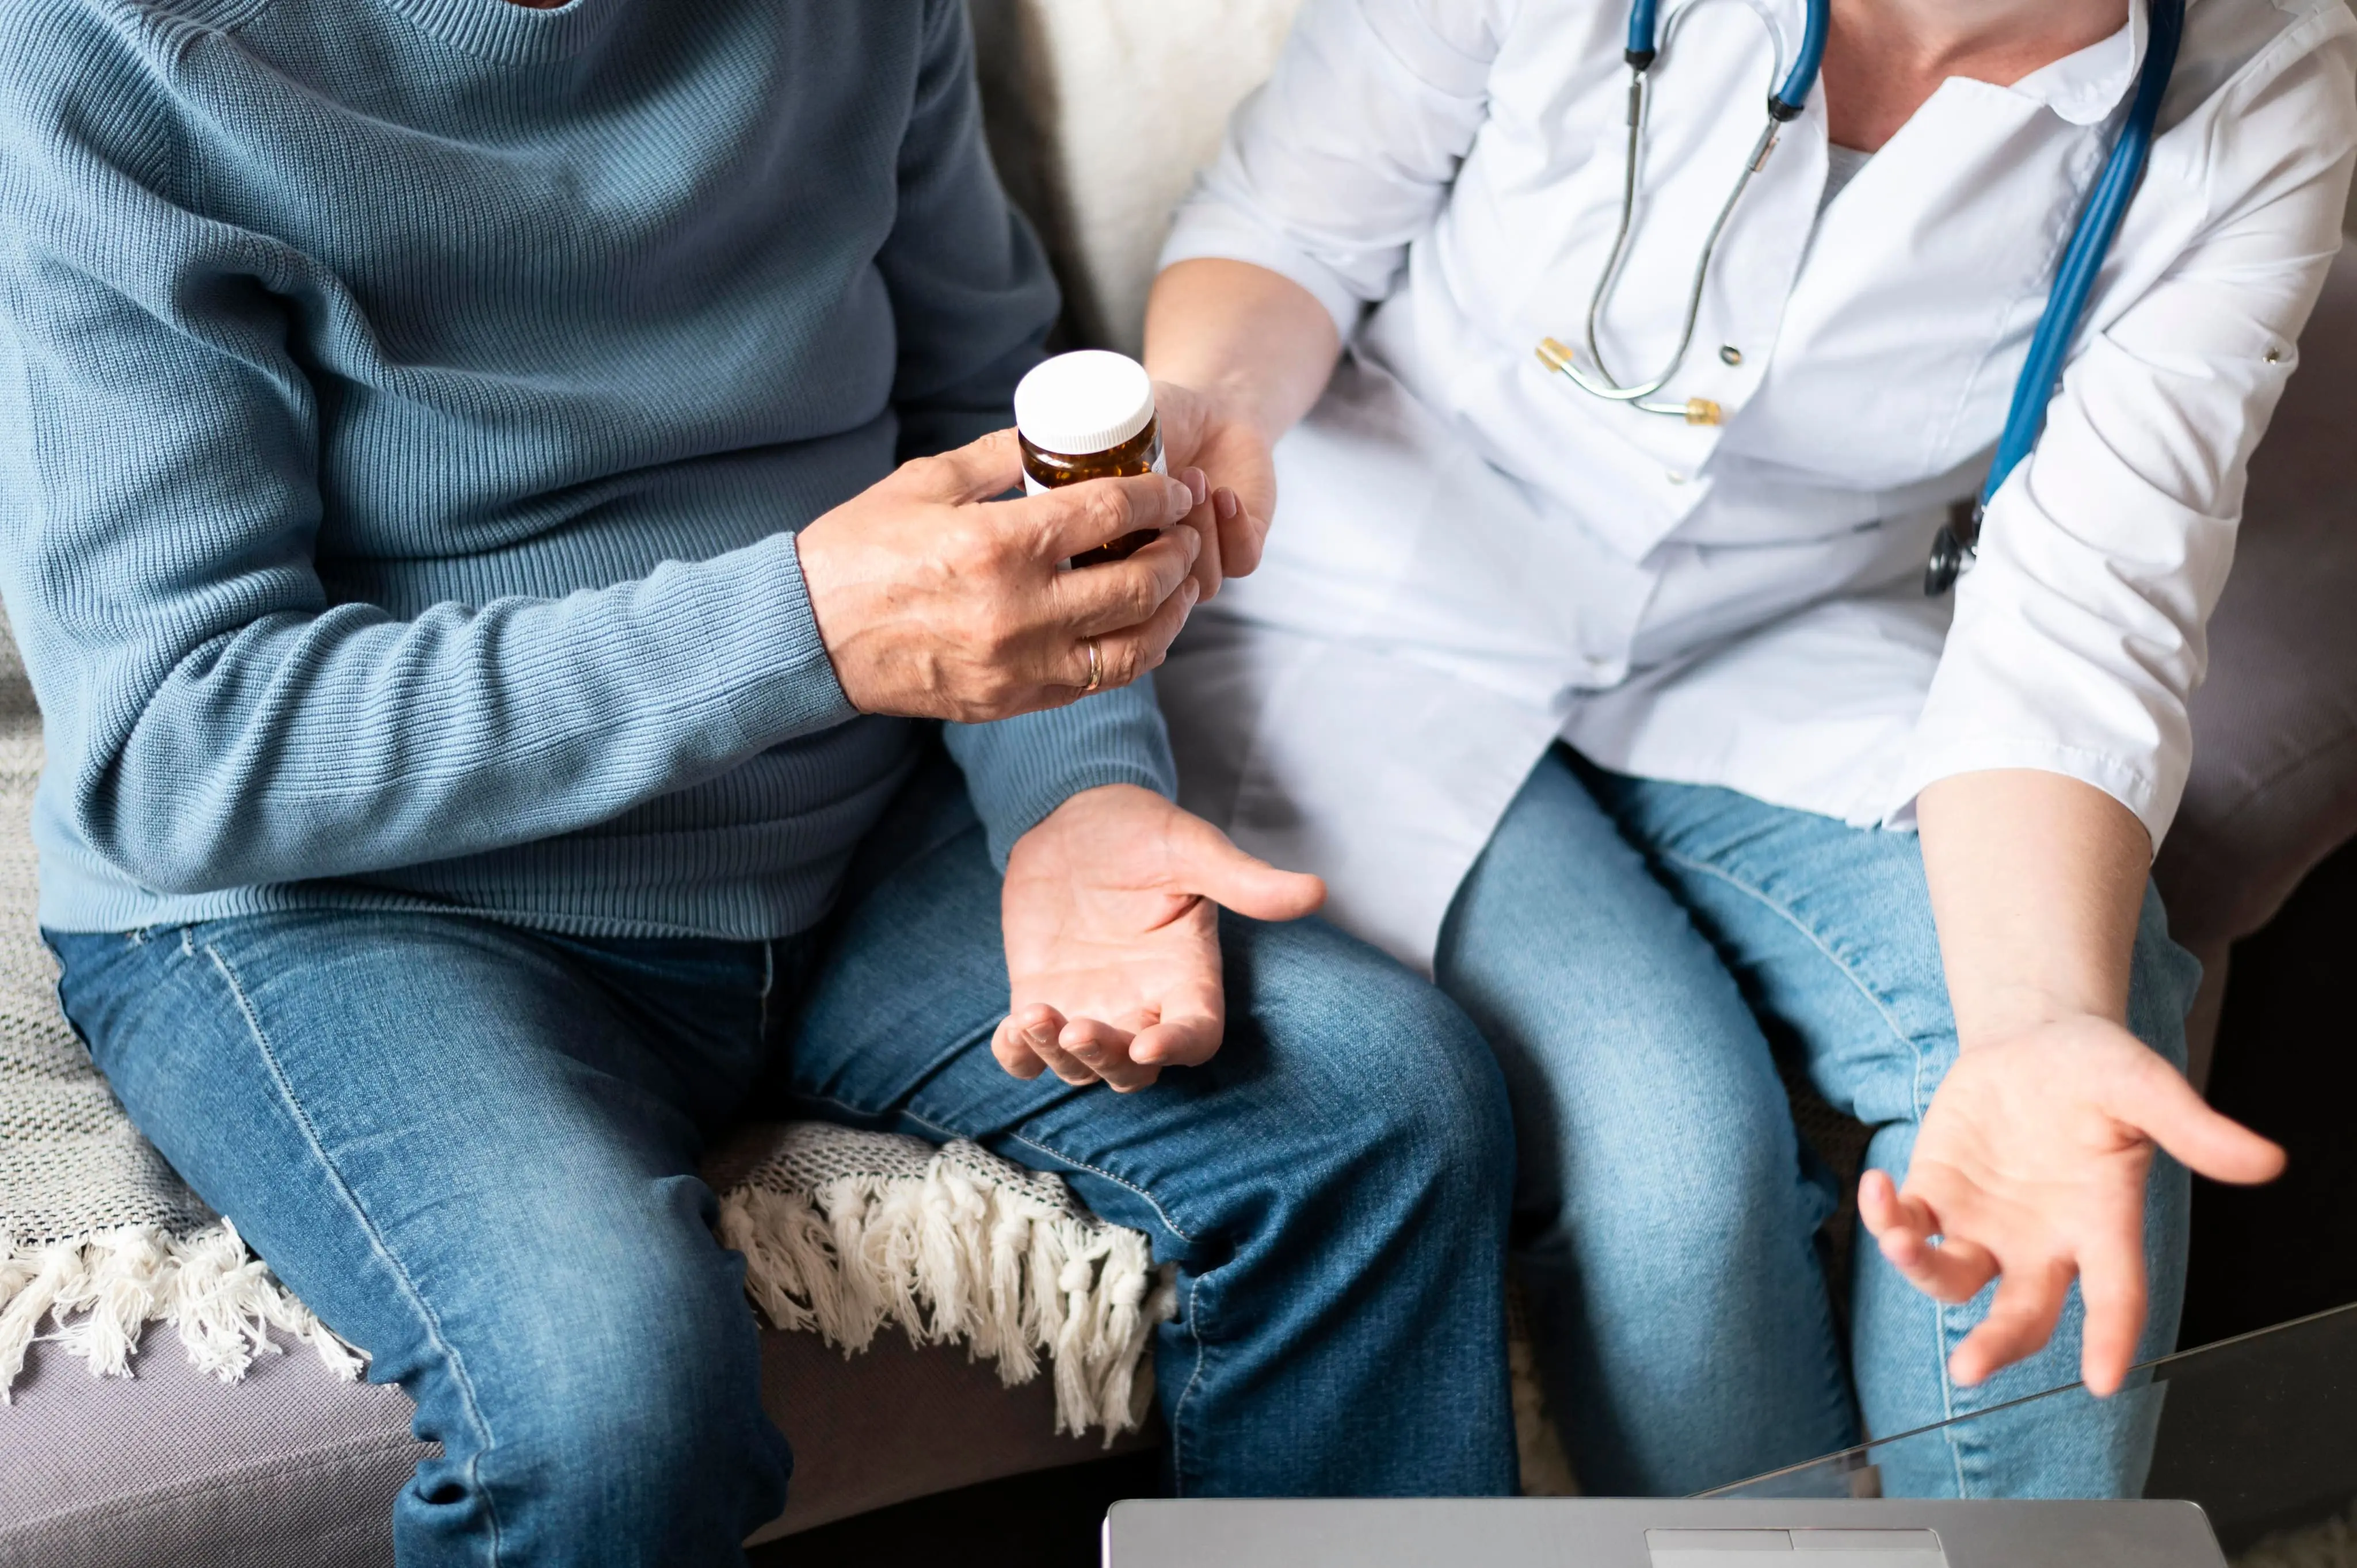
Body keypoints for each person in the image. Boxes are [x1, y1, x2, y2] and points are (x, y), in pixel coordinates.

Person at [0, 0, 1524, 1561]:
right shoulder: (110, 47)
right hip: (353, 902)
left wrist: (1075, 791)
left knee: (1380, 1108)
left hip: (849, 823)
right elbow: (172, 742)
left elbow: (981, 408)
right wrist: (803, 628)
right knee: (609, 1399)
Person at [1141, 0, 2355, 1501]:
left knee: (2087, 1023)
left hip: (1786, 635)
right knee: (1676, 1161)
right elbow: (1284, 227)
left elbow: (2085, 610)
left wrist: (2035, 1013)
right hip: (1387, 606)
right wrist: (1214, 415)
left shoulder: (2266, 81)